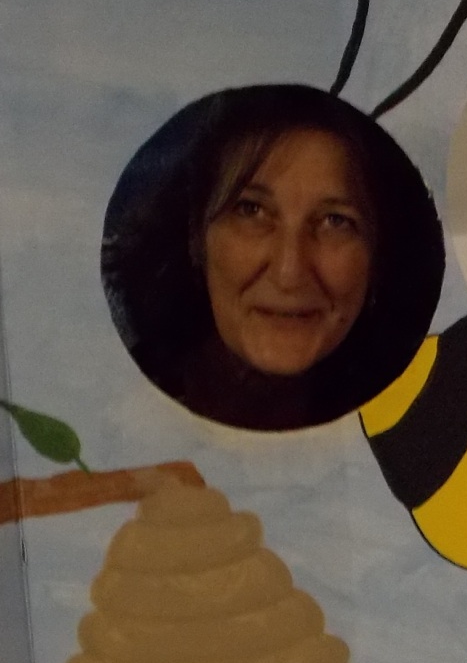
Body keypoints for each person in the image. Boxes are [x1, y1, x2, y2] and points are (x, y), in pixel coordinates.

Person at [103, 85, 443, 432]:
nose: (289, 273)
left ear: (378, 254)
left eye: (335, 221)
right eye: (251, 210)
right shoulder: (109, 405)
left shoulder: (415, 427)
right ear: (195, 235)